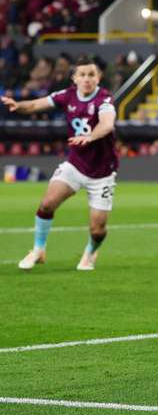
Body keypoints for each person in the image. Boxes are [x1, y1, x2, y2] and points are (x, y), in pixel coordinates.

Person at [3, 56, 118, 271]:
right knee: (47, 204)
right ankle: (38, 250)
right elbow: (37, 104)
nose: (86, 79)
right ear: (74, 78)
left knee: (98, 229)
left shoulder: (104, 100)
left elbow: (107, 124)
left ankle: (91, 251)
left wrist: (91, 137)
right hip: (75, 164)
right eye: (82, 75)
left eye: (91, 75)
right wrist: (18, 105)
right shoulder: (67, 95)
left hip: (102, 172)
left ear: (98, 77)